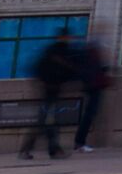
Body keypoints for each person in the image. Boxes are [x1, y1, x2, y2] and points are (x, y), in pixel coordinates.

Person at [21, 24, 88, 159]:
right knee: (47, 121)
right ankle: (48, 149)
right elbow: (59, 69)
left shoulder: (58, 50)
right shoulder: (58, 51)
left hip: (53, 89)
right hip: (51, 89)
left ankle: (42, 149)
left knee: (47, 121)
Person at [69, 33, 116, 152]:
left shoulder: (89, 54)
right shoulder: (92, 55)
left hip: (92, 87)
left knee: (89, 114)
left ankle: (79, 142)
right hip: (94, 87)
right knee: (89, 114)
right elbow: (93, 72)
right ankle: (79, 143)